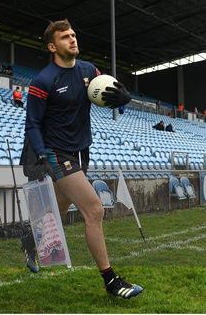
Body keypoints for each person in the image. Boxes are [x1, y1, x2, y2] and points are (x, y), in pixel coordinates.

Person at [24, 19, 141, 299]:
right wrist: (42, 155)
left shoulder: (90, 71)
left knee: (58, 211)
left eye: (74, 34)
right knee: (94, 209)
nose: (73, 39)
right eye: (65, 37)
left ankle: (29, 240)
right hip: (55, 152)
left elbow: (106, 96)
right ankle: (111, 281)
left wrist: (123, 99)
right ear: (53, 46)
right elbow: (32, 124)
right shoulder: (42, 81)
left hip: (81, 150)